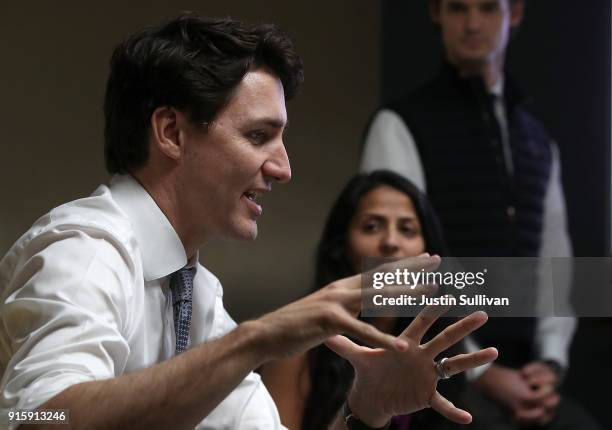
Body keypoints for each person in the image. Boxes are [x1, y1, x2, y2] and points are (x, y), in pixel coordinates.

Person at [0, 13, 499, 430]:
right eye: (259, 135)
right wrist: (258, 338)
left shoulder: (196, 293)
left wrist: (363, 413)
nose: (284, 168)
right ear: (171, 132)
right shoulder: (86, 251)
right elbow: (42, 416)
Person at [361, 1, 600, 428]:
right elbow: (394, 271)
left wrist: (550, 364)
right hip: (437, 381)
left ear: (516, 13)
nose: (472, 24)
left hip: (530, 378)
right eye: (457, 8)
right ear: (436, 13)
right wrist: (480, 371)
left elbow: (555, 263)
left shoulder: (540, 142)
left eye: (488, 8)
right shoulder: (399, 125)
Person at [263, 170, 470, 430]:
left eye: (407, 229)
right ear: (342, 245)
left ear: (428, 249)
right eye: (371, 226)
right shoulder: (300, 341)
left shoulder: (442, 338)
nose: (391, 242)